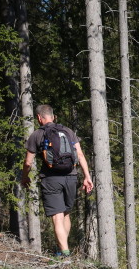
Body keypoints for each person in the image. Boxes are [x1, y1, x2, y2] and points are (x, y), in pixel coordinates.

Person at [20, 104, 93, 256]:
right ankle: (62, 249)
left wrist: (25, 176)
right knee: (65, 213)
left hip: (51, 179)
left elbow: (28, 162)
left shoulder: (36, 135)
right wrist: (87, 176)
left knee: (57, 217)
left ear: (39, 118)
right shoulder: (68, 131)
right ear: (53, 117)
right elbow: (80, 155)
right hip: (71, 176)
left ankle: (64, 253)